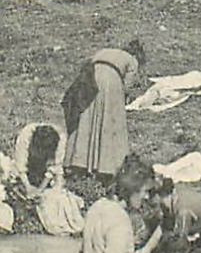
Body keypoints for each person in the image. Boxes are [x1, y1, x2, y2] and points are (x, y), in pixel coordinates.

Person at [61, 40, 145, 179]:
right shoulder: (132, 61)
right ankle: (105, 166)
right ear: (136, 55)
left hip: (90, 77)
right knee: (110, 121)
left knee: (86, 119)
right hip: (111, 80)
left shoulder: (105, 51)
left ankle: (79, 161)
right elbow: (127, 86)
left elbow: (87, 64)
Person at [7, 122, 85, 236]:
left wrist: (40, 190)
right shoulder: (25, 137)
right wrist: (28, 187)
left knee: (57, 194)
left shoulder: (61, 139)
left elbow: (53, 168)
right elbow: (20, 166)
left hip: (46, 173)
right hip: (29, 167)